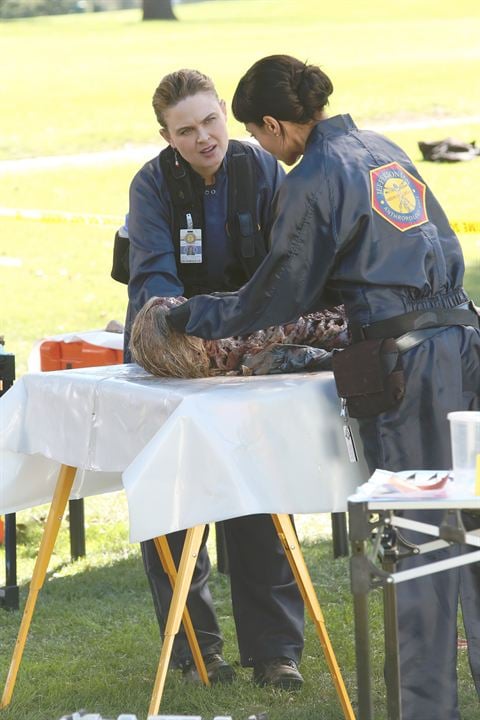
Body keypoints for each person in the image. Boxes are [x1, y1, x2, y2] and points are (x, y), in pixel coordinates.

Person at [164, 55, 480, 719]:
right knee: (473, 528)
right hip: (464, 342)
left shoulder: (313, 175)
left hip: (411, 365)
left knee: (419, 537)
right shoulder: (383, 149)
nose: (263, 150)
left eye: (258, 135)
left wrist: (190, 316)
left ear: (274, 125)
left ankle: (424, 710)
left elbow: (277, 293)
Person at [124, 68, 305, 689]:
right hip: (174, 354)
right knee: (172, 503)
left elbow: (288, 267)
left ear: (224, 113)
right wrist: (198, 334)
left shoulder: (260, 170)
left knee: (257, 494)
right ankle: (193, 651)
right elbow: (154, 283)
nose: (203, 137)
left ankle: (275, 652)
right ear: (166, 136)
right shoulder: (150, 185)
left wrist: (244, 333)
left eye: (210, 121)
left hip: (248, 352)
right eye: (186, 130)